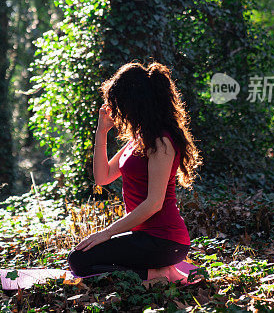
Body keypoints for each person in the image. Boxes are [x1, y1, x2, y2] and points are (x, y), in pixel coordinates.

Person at [67, 61, 203, 283]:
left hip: (165, 241)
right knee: (80, 259)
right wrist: (101, 131)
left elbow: (154, 204)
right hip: (144, 237)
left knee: (80, 261)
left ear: (136, 104)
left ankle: (160, 274)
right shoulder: (138, 140)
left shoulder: (161, 142)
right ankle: (162, 272)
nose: (118, 110)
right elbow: (103, 177)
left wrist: (107, 233)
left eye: (119, 103)